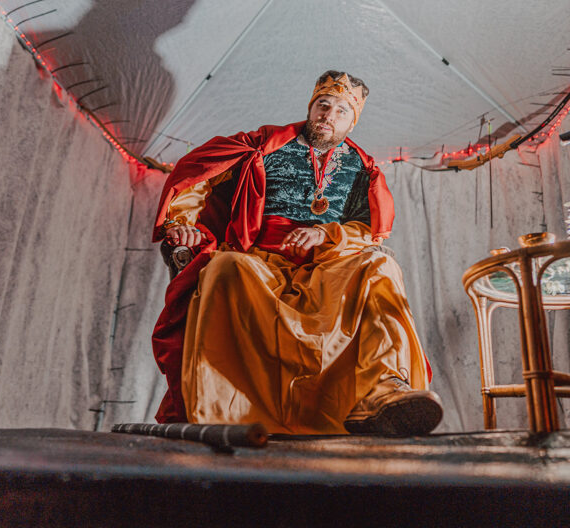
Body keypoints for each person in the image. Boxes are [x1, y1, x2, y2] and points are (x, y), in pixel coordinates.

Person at [151, 71, 443, 435]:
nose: (328, 116)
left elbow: (368, 231)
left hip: (327, 266)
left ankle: (382, 390)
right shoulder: (264, 144)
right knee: (225, 268)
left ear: (352, 121)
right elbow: (202, 173)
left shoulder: (361, 169)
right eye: (323, 105)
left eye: (341, 111)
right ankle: (226, 410)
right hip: (262, 261)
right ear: (311, 106)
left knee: (381, 265)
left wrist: (325, 234)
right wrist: (183, 222)